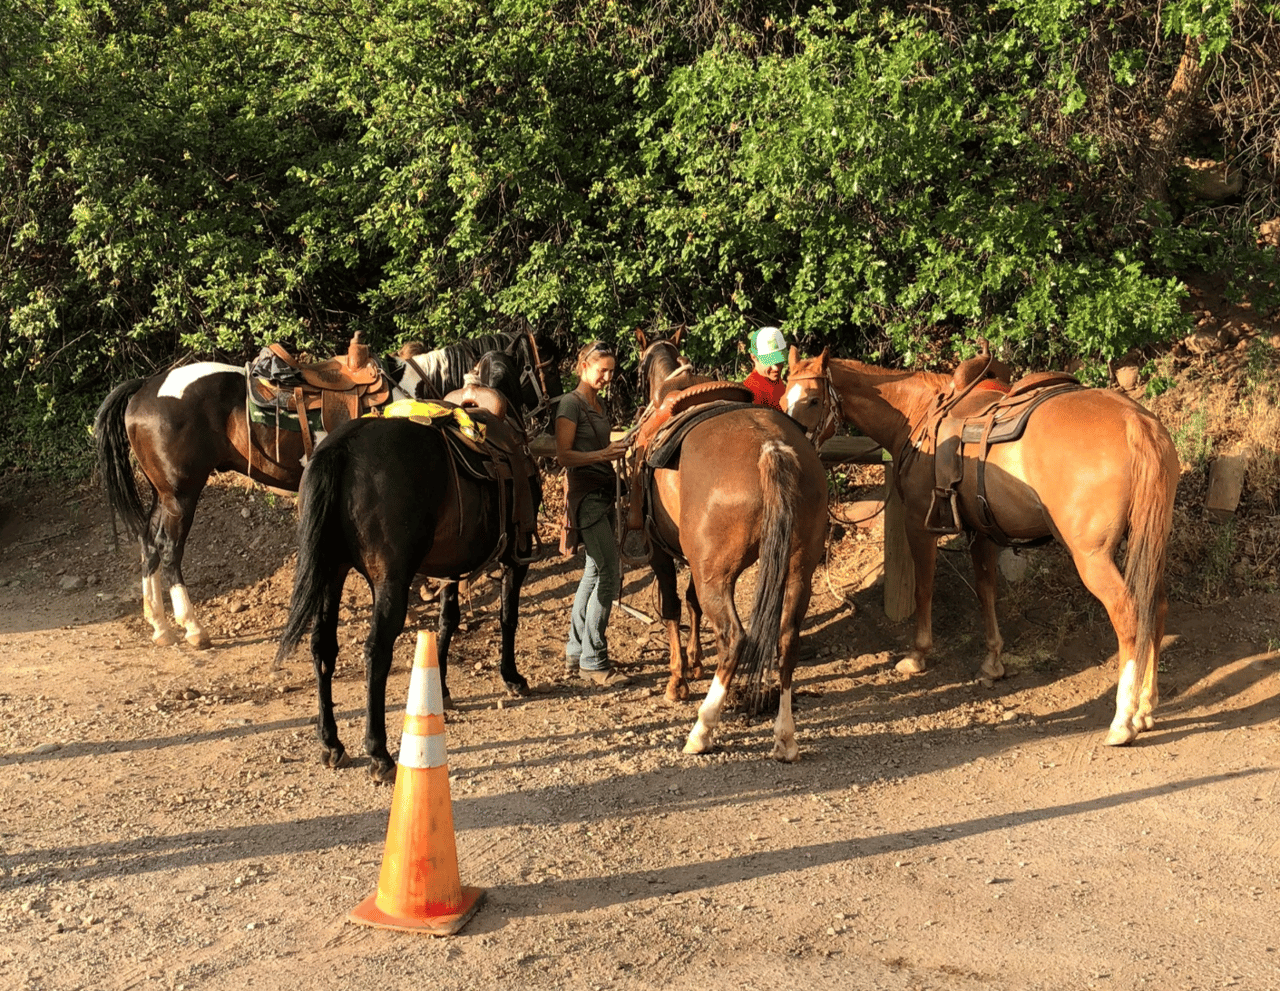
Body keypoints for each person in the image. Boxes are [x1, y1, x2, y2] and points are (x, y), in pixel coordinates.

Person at [556, 340, 632, 687]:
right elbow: (564, 457)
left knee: (592, 573)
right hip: (585, 497)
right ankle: (593, 658)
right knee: (609, 574)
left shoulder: (597, 405)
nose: (608, 377)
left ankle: (576, 650)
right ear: (583, 367)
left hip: (602, 494)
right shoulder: (570, 405)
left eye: (612, 371)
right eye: (603, 370)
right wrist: (605, 454)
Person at [742, 326, 788, 411]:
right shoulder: (752, 392)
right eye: (770, 362)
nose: (776, 368)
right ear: (754, 357)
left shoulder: (773, 379)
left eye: (779, 362)